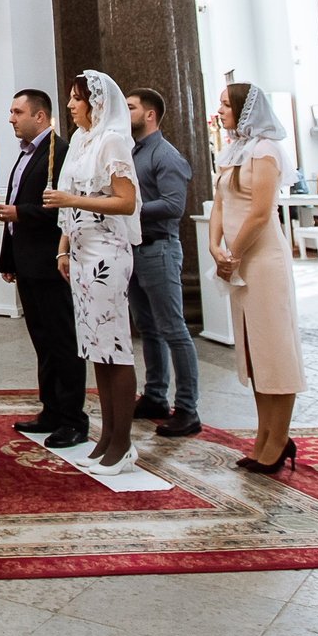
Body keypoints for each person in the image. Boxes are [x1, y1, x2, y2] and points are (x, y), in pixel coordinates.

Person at [47, 72, 145, 473]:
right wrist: (63, 249)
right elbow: (67, 209)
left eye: (76, 98)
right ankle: (107, 434)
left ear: (97, 104)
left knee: (115, 347)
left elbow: (126, 202)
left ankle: (123, 442)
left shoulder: (111, 140)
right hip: (82, 252)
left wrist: (73, 198)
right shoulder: (81, 143)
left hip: (108, 253)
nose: (70, 105)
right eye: (71, 98)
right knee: (94, 348)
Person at [211, 81, 304, 472]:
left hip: (262, 260)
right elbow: (220, 203)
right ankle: (264, 434)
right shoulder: (232, 151)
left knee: (273, 350)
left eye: (226, 106)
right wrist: (216, 247)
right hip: (237, 259)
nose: (220, 112)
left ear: (245, 110)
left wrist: (234, 253)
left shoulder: (266, 151)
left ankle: (278, 438)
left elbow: (261, 212)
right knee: (252, 351)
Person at [0, 88, 85, 447]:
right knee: (42, 341)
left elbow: (61, 209)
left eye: (18, 112)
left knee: (62, 341)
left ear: (40, 116)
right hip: (27, 261)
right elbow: (13, 207)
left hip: (50, 261)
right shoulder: (26, 155)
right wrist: (8, 259)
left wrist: (18, 213)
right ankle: (51, 409)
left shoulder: (60, 153)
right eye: (12, 112)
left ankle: (73, 418)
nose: (12, 118)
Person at [125, 87, 202, 437]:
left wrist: (130, 209)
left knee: (173, 329)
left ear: (150, 114)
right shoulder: (134, 151)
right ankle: (155, 395)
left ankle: (187, 408)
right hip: (136, 248)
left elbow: (173, 205)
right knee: (148, 328)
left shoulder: (166, 155)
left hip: (159, 248)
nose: (125, 114)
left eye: (130, 108)